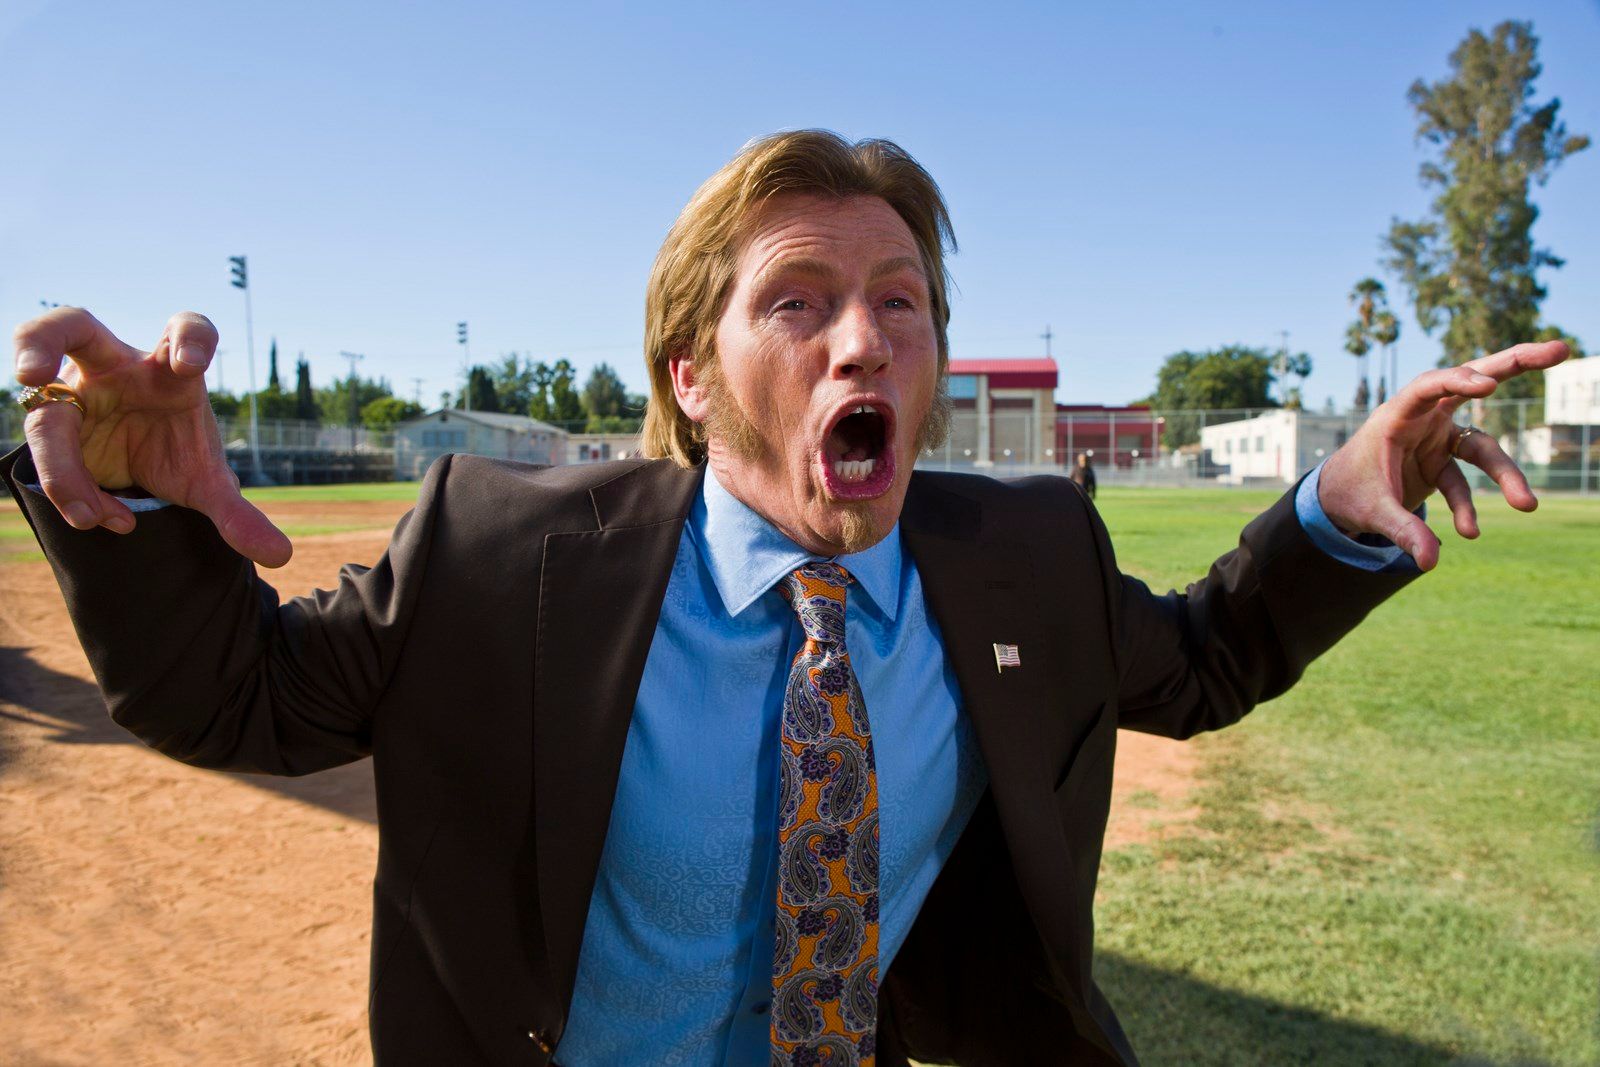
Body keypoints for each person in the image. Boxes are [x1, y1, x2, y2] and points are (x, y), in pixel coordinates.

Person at [4, 130, 1565, 1066]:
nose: (861, 341)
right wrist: (142, 510)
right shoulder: (500, 553)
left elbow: (1208, 657)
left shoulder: (1023, 556)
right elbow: (240, 698)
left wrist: (1335, 504)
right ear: (691, 375)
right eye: (798, 303)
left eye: (899, 303)